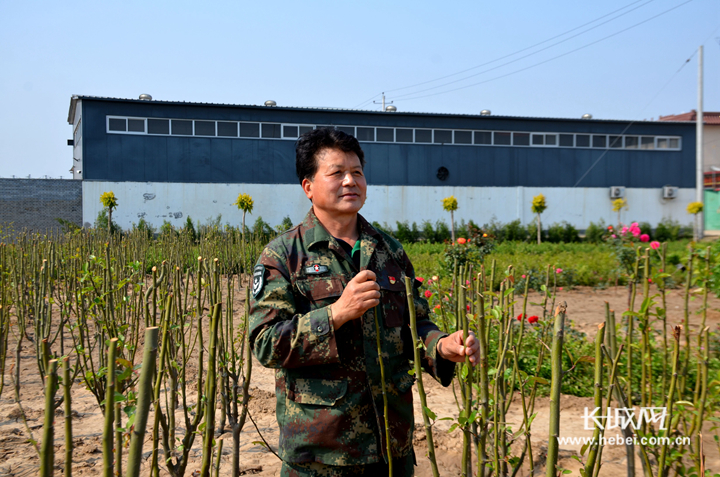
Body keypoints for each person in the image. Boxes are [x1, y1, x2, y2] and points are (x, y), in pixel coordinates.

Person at [249, 128, 480, 476]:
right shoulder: (283, 256)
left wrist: (442, 346)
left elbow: (414, 327)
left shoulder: (389, 252)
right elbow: (266, 344)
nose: (350, 181)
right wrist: (336, 314)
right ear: (308, 186)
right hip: (321, 452)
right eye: (337, 172)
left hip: (391, 445)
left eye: (357, 172)